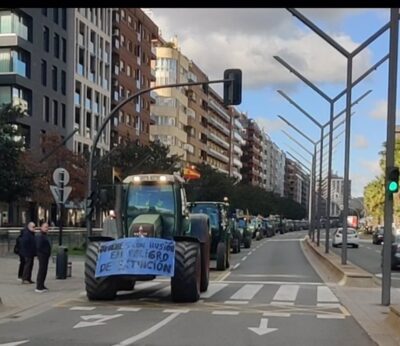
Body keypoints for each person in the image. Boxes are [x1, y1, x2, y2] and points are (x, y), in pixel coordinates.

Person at [35, 222, 51, 293]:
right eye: (45, 227)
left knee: (44, 270)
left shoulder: (44, 235)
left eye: (47, 227)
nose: (46, 228)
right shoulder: (40, 236)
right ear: (41, 227)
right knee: (42, 270)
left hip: (45, 255)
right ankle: (39, 286)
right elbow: (39, 246)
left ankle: (42, 285)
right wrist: (44, 252)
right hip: (42, 255)